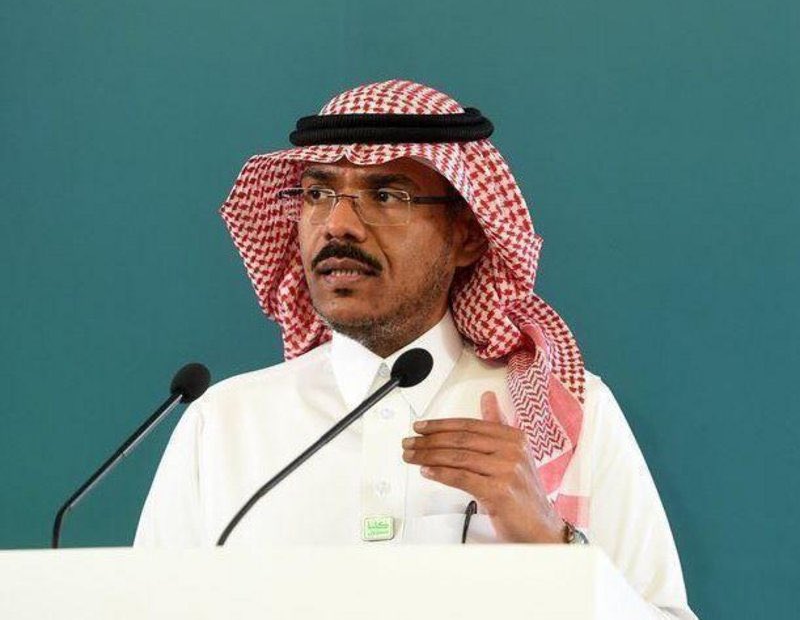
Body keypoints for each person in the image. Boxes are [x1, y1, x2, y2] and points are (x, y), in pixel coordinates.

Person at [134, 80, 697, 618]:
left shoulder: (568, 412)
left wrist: (551, 540)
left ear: (467, 234)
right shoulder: (224, 425)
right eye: (317, 194)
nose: (338, 224)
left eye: (386, 195)